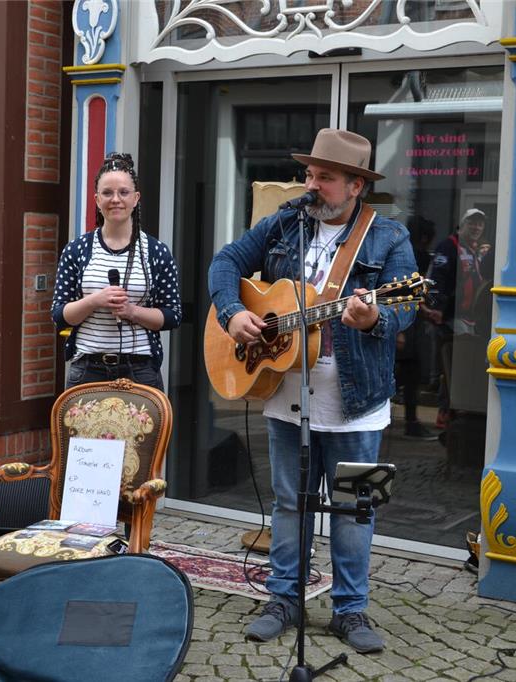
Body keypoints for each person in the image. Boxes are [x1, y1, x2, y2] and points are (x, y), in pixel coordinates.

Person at [208, 128, 417, 654]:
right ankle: (284, 599)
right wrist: (234, 314)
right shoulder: (287, 222)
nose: (311, 184)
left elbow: (405, 305)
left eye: (324, 177)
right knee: (289, 503)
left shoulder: (388, 238)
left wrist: (372, 319)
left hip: (356, 403)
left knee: (353, 507)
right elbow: (226, 262)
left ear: (354, 187)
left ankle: (350, 609)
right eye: (310, 174)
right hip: (286, 396)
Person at [51, 152, 181, 391]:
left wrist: (132, 311)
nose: (116, 199)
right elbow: (59, 315)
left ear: (136, 198)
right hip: (88, 368)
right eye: (107, 193)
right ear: (97, 200)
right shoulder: (77, 249)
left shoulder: (156, 251)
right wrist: (95, 300)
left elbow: (172, 316)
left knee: (144, 432)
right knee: (82, 431)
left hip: (140, 369)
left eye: (124, 192)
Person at [421, 208, 490, 431]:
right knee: (448, 368)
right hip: (449, 318)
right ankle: (445, 415)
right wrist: (436, 308)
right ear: (462, 225)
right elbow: (437, 279)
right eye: (472, 223)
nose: (476, 228)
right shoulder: (449, 247)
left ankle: (452, 416)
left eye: (480, 224)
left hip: (468, 319)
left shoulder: (476, 250)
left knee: (457, 368)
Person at [396, 216, 438, 440]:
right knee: (411, 372)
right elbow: (410, 291)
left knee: (403, 372)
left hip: (401, 321)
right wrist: (426, 311)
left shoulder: (400, 252)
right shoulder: (417, 256)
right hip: (408, 322)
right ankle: (411, 422)